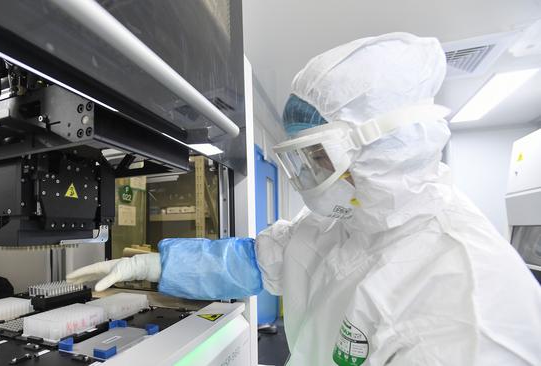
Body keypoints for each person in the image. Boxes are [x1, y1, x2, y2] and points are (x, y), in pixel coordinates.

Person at [68, 32, 541, 365]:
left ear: (383, 150)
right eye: (298, 161)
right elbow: (251, 262)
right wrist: (146, 267)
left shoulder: (467, 299)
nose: (302, 180)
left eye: (316, 158)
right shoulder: (345, 221)